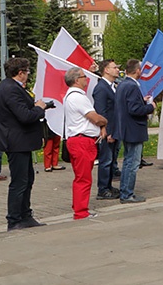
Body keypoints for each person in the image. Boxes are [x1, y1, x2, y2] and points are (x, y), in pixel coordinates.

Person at [0, 57, 48, 230]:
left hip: (21, 141)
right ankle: (15, 219)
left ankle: (25, 215)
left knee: (27, 179)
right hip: (16, 141)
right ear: (20, 73)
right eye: (27, 71)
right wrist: (39, 107)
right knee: (19, 181)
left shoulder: (11, 87)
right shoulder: (10, 89)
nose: (28, 74)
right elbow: (24, 116)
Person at [63, 66, 107, 220]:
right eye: (83, 77)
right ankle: (81, 211)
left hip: (78, 140)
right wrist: (104, 122)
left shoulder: (71, 96)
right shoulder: (78, 97)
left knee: (81, 177)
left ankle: (79, 207)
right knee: (84, 178)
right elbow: (94, 117)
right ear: (76, 80)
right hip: (82, 141)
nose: (86, 79)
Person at [115, 59, 155, 203]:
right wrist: (150, 107)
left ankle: (125, 191)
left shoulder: (122, 84)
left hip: (126, 129)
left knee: (128, 161)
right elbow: (134, 109)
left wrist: (141, 101)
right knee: (132, 163)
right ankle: (127, 193)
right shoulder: (132, 86)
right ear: (138, 70)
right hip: (134, 130)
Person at [93, 59, 120, 199]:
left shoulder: (112, 86)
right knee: (106, 160)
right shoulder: (101, 88)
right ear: (106, 70)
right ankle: (102, 189)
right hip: (107, 131)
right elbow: (101, 111)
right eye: (114, 67)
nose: (117, 70)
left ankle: (109, 185)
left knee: (112, 159)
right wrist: (106, 130)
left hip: (115, 129)